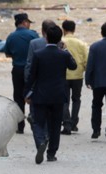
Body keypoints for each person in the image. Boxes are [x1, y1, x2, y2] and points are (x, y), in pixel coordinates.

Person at [25, 25, 77, 164]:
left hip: (40, 94)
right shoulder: (64, 54)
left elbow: (32, 76)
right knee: (55, 125)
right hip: (58, 95)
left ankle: (41, 142)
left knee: (38, 122)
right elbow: (74, 66)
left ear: (46, 37)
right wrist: (65, 49)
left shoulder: (38, 54)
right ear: (60, 38)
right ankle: (51, 153)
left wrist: (27, 93)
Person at [5, 13, 39, 133]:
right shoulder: (33, 35)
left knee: (18, 96)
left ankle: (20, 126)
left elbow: (7, 53)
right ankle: (35, 122)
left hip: (17, 69)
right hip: (31, 70)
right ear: (24, 22)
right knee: (33, 94)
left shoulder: (11, 36)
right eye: (28, 22)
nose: (29, 25)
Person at [24, 19, 56, 148]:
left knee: (35, 116)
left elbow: (29, 65)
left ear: (42, 30)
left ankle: (40, 140)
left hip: (37, 86)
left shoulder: (34, 43)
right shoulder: (60, 44)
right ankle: (47, 135)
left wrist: (28, 87)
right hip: (54, 86)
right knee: (51, 115)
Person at [60, 20, 88, 135]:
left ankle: (66, 124)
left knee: (64, 100)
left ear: (63, 30)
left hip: (63, 75)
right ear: (74, 29)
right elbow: (86, 61)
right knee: (76, 99)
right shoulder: (81, 44)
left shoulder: (60, 42)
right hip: (77, 75)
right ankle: (74, 122)